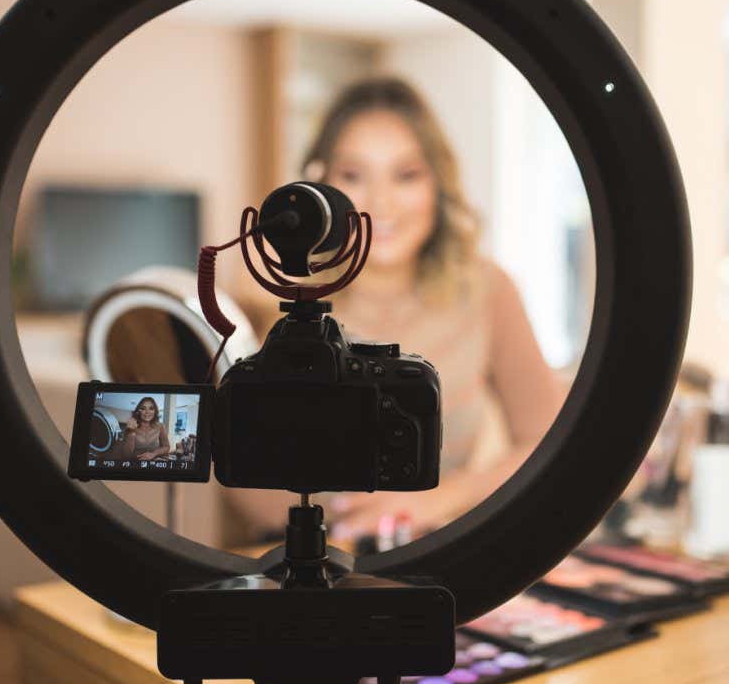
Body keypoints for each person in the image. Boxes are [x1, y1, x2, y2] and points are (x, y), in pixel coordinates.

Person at [230, 76, 565, 541]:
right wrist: (339, 512)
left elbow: (550, 445)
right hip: (308, 560)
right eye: (353, 176)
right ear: (321, 184)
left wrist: (438, 498)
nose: (381, 202)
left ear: (438, 184)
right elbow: (241, 475)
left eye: (406, 175)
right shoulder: (280, 298)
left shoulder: (489, 290)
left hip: (437, 557)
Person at [117, 396, 171, 462]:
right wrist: (131, 432)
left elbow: (166, 447)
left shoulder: (160, 426)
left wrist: (153, 454)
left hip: (154, 463)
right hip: (136, 464)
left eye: (151, 408)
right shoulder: (131, 426)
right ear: (138, 411)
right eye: (143, 408)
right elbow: (126, 456)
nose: (147, 412)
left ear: (155, 411)